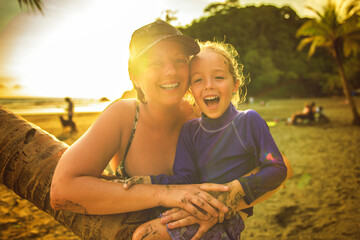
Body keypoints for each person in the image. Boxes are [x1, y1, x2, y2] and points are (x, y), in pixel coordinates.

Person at [50, 20, 292, 239]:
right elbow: (62, 190)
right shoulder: (123, 116)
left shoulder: (199, 115)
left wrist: (212, 210)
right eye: (155, 63)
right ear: (134, 74)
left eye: (179, 61)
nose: (171, 71)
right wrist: (166, 193)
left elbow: (281, 168)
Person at [124, 41, 288, 240]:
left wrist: (238, 188)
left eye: (219, 77)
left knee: (144, 235)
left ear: (235, 84)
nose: (209, 85)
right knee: (141, 233)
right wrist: (148, 181)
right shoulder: (190, 131)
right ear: (190, 89)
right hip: (198, 206)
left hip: (227, 218)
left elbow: (277, 168)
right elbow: (184, 178)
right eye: (198, 80)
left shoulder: (248, 121)